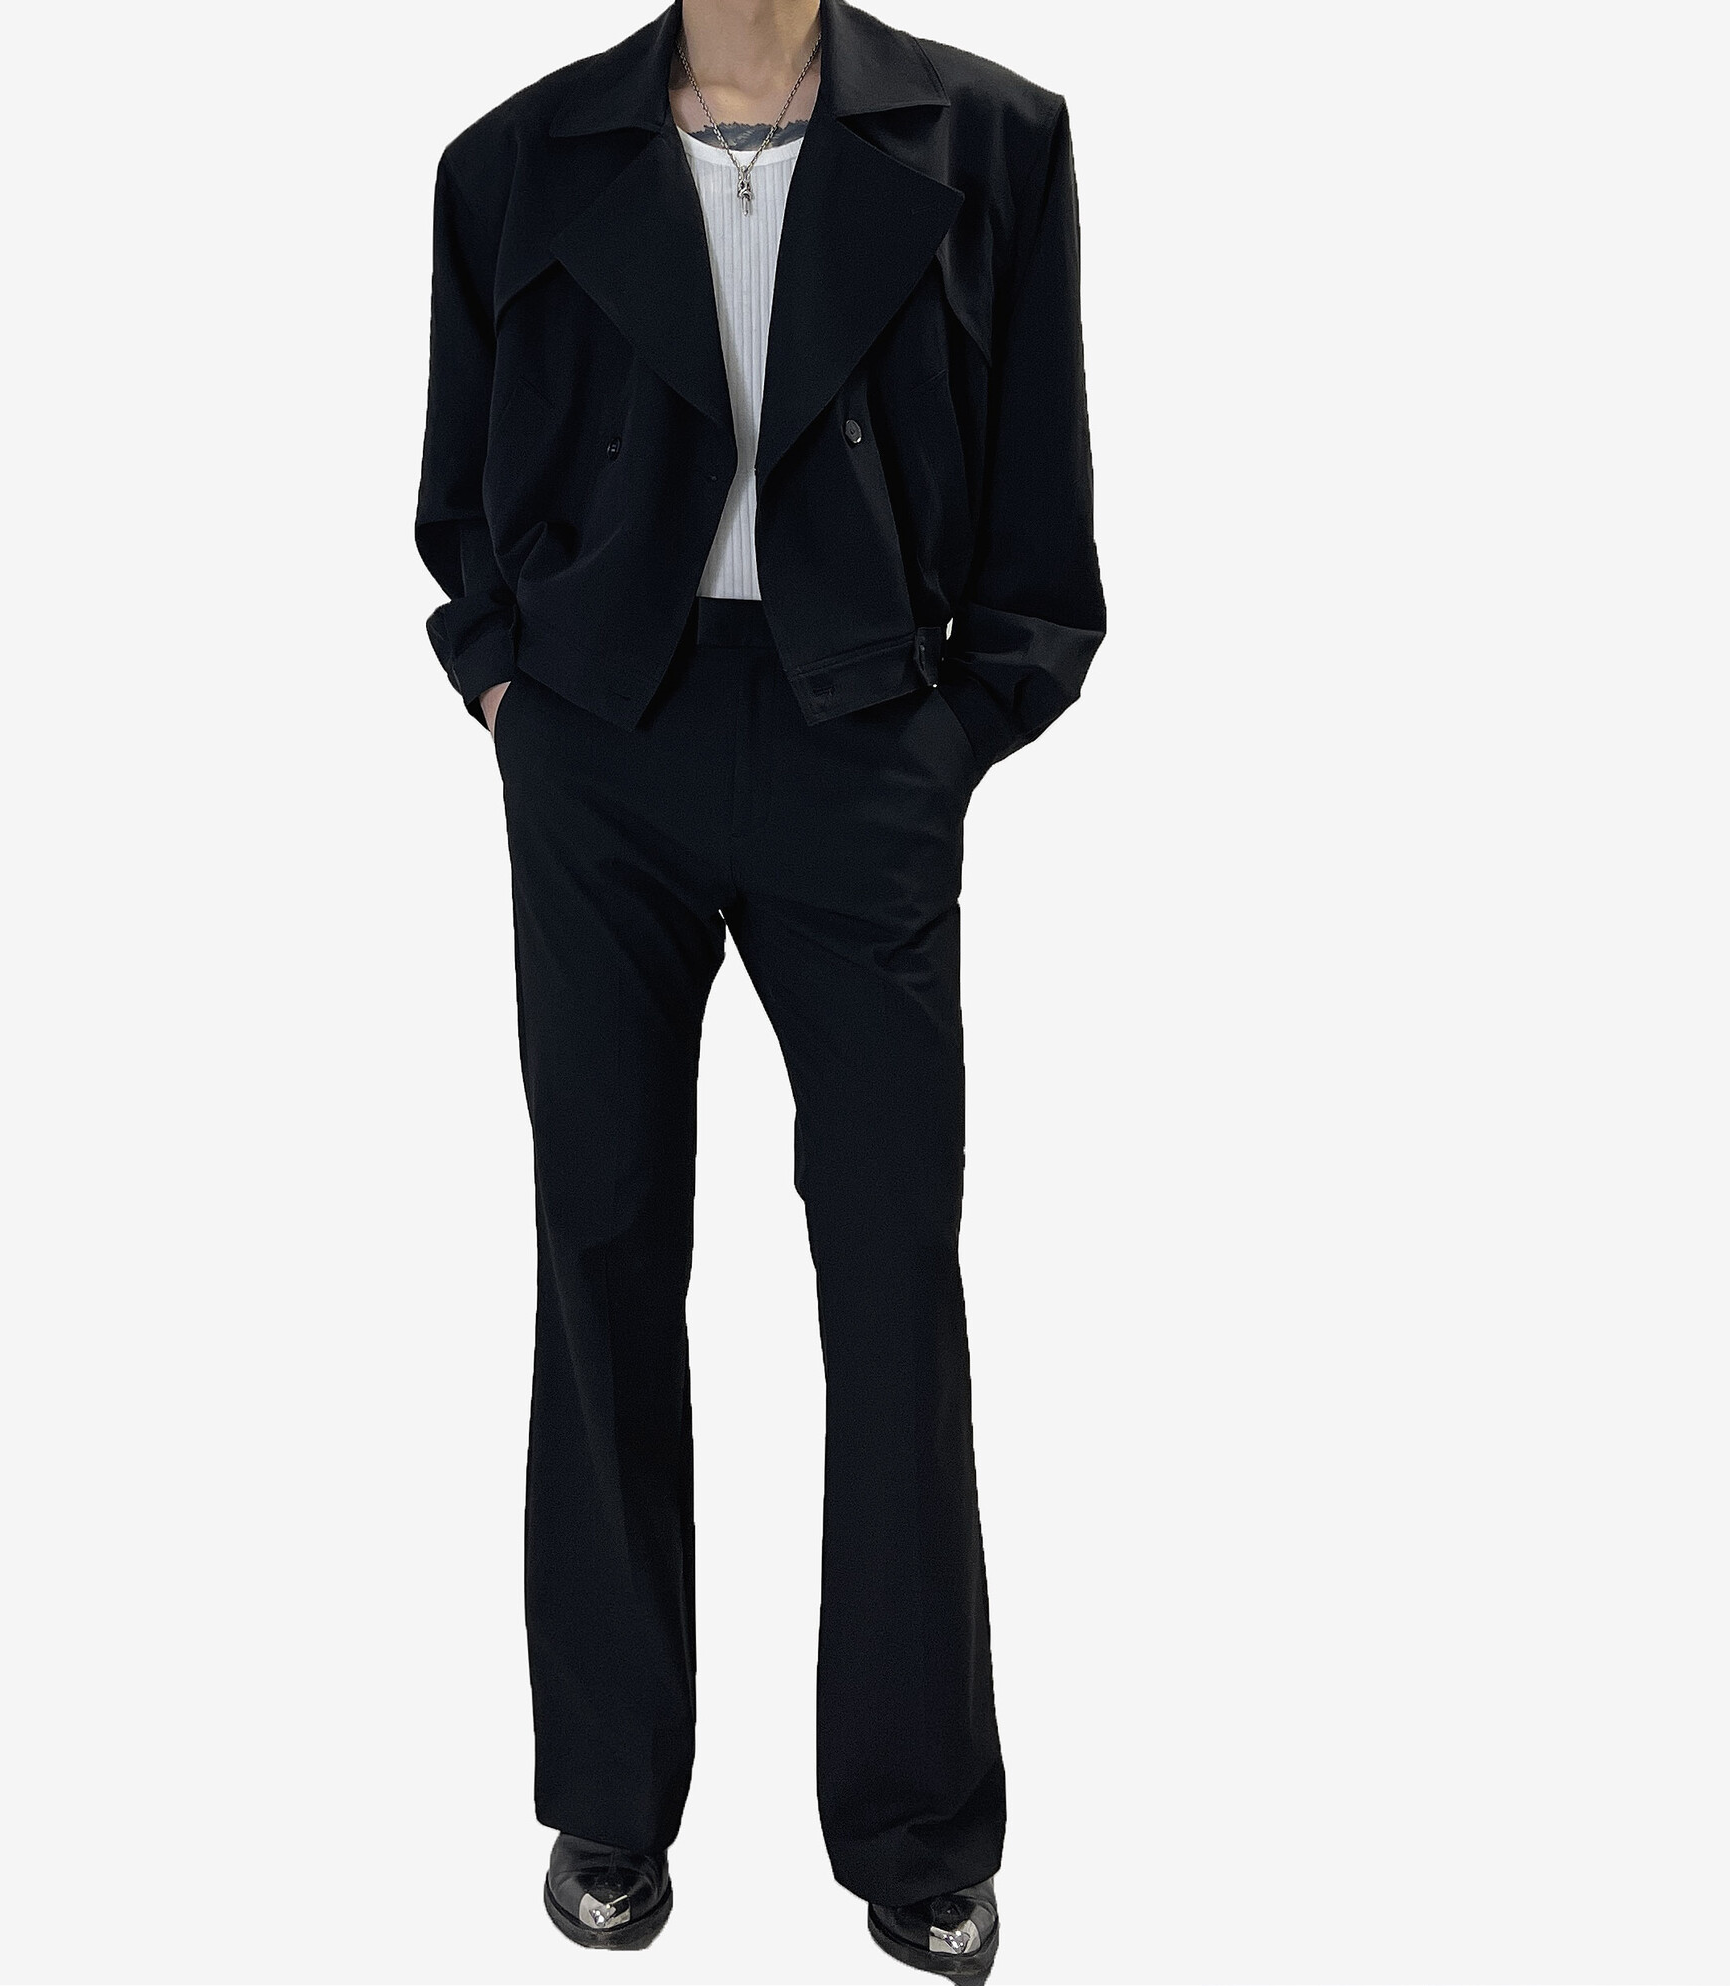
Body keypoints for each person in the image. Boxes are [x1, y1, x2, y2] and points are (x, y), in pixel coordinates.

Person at [414, 0, 1102, 1970]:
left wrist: (951, 731)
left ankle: (914, 1823)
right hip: (601, 744)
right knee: (604, 1248)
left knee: (889, 1275)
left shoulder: (991, 141)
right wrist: (508, 690)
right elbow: (457, 498)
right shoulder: (511, 160)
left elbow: (1040, 511)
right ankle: (608, 1798)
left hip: (858, 739)